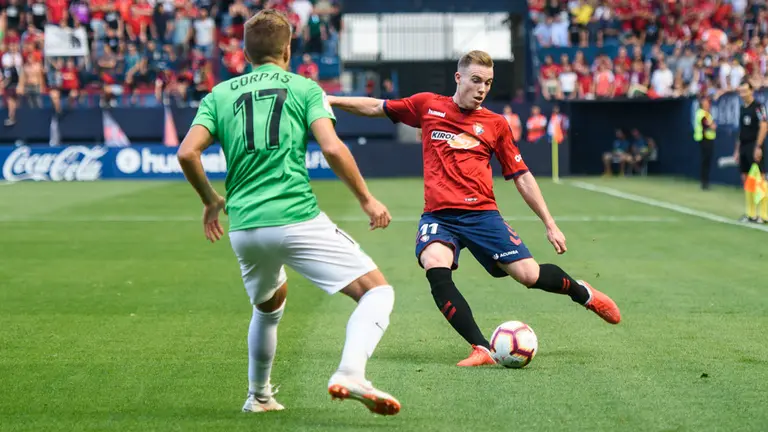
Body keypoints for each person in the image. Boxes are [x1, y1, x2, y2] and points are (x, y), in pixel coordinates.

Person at [328, 50, 621, 367]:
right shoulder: (429, 106)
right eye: (476, 80)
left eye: (488, 83)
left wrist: (549, 223)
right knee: (434, 266)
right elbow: (376, 107)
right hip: (439, 217)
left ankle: (583, 293)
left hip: (482, 216)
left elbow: (521, 176)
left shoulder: (496, 124)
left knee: (528, 275)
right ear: (459, 78)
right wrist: (331, 100)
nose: (482, 88)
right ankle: (481, 348)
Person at [177, 10, 401, 415]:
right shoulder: (304, 88)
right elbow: (332, 148)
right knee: (378, 292)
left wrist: (211, 200)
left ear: (244, 52)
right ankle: (351, 371)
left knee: (268, 305)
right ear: (288, 48)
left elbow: (186, 152)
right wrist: (367, 199)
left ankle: (258, 396)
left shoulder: (220, 94)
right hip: (295, 216)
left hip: (245, 227)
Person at [734, 80, 767, 223]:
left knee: (760, 179)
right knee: (746, 179)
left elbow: (764, 125)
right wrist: (737, 150)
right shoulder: (742, 108)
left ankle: (764, 215)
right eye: (740, 91)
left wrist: (758, 146)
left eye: (745, 91)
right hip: (744, 146)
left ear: (751, 91)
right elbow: (740, 131)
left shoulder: (759, 107)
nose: (742, 94)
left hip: (755, 145)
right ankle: (751, 214)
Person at [694, 97, 716, 190]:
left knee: (706, 162)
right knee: (705, 162)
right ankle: (704, 183)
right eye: (705, 103)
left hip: (708, 139)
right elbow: (709, 126)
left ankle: (705, 182)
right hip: (705, 139)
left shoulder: (707, 114)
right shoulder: (702, 114)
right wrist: (712, 126)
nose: (707, 104)